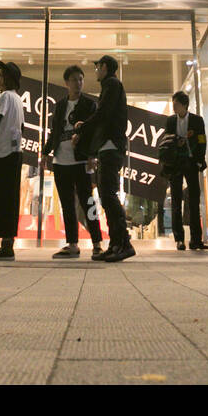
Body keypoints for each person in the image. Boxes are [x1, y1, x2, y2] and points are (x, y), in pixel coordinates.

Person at [74, 55, 134, 263]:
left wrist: (83, 126)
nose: (96, 70)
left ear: (105, 67)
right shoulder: (111, 85)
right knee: (107, 195)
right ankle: (116, 243)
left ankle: (124, 243)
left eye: (97, 66)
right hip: (107, 146)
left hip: (111, 145)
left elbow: (103, 114)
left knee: (108, 194)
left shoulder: (112, 84)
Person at [42, 65, 102, 259]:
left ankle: (97, 243)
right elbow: (55, 132)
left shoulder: (89, 105)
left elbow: (94, 132)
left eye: (81, 79)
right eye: (74, 80)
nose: (78, 83)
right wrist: (45, 152)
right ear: (66, 83)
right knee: (67, 204)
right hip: (61, 161)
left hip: (81, 161)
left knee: (88, 203)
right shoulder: (60, 105)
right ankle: (72, 244)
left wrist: (92, 155)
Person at [160, 90, 208, 252]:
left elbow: (202, 141)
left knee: (194, 200)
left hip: (191, 162)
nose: (174, 107)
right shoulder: (170, 121)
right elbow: (167, 140)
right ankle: (179, 239)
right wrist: (178, 141)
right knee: (176, 200)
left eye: (176, 104)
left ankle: (196, 240)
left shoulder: (197, 120)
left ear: (184, 105)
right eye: (173, 104)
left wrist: (199, 161)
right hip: (175, 163)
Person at [0, 60, 24, 261]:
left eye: (0, 76)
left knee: (1, 199)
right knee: (11, 199)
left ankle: (5, 247)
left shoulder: (5, 96)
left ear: (8, 78)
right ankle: (8, 243)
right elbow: (21, 127)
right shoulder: (17, 99)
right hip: (15, 153)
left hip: (3, 153)